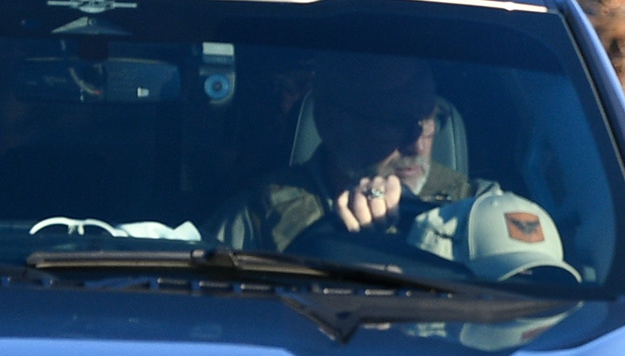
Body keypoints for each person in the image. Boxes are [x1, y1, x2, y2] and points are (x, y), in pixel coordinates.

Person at [210, 53, 574, 283]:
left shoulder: (479, 209)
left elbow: (533, 304)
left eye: (427, 118)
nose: (416, 142)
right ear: (331, 123)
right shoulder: (260, 215)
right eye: (393, 122)